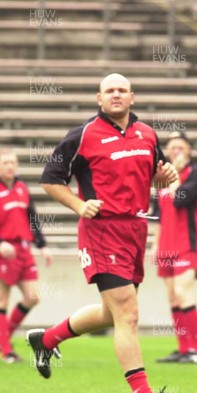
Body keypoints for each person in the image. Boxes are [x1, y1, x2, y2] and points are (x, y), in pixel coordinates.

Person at [27, 73, 177, 393]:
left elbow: (156, 177)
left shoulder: (147, 134)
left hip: (135, 230)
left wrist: (165, 176)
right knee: (128, 312)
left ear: (132, 97)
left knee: (112, 315)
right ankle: (142, 390)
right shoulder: (81, 135)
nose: (116, 95)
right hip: (101, 230)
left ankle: (46, 339)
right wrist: (79, 206)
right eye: (109, 91)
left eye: (122, 90)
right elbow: (50, 179)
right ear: (99, 99)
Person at [153, 130, 197, 365]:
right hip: (165, 247)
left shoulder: (195, 175)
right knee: (173, 298)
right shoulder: (161, 179)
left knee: (184, 293)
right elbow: (158, 216)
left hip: (187, 245)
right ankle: (183, 349)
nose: (176, 151)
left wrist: (174, 179)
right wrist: (155, 245)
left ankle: (194, 351)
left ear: (189, 150)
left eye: (180, 147)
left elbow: (180, 199)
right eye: (172, 147)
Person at [0, 148, 52, 363]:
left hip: (24, 250)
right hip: (5, 250)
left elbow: (32, 217)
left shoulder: (22, 188)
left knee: (32, 297)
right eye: (5, 163)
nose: (10, 166)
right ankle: (7, 351)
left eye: (13, 163)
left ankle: (4, 339)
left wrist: (42, 245)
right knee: (3, 300)